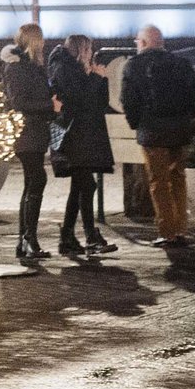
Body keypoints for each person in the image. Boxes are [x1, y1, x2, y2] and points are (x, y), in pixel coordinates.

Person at [120, 24, 195, 245]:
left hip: (152, 131)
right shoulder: (181, 64)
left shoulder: (134, 66)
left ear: (145, 43)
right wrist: (186, 117)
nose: (137, 45)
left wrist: (136, 123)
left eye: (138, 41)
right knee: (178, 177)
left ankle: (166, 231)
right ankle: (180, 229)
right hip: (180, 129)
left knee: (158, 181)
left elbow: (129, 100)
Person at [47, 34, 117, 256]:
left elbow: (99, 103)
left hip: (83, 136)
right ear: (80, 51)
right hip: (74, 137)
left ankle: (70, 236)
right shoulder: (64, 69)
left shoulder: (74, 71)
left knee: (82, 186)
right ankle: (87, 236)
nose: (90, 54)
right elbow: (79, 100)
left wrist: (100, 79)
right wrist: (95, 79)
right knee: (86, 185)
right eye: (88, 50)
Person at [0, 22, 54, 261]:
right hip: (26, 132)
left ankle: (25, 239)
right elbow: (19, 102)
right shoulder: (18, 68)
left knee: (32, 182)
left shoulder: (32, 67)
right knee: (37, 179)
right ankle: (28, 238)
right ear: (34, 41)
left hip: (36, 131)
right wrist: (49, 105)